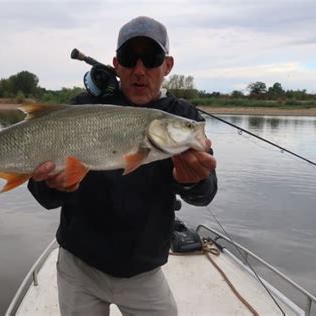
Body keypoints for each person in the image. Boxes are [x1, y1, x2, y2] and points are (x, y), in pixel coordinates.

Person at [28, 16, 217, 316]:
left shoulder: (181, 116)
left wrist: (192, 181)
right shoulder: (82, 108)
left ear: (167, 66)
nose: (140, 70)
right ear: (117, 64)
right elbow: (42, 194)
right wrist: (54, 186)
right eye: (130, 59)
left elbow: (205, 193)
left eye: (152, 59)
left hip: (144, 272)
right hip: (80, 267)